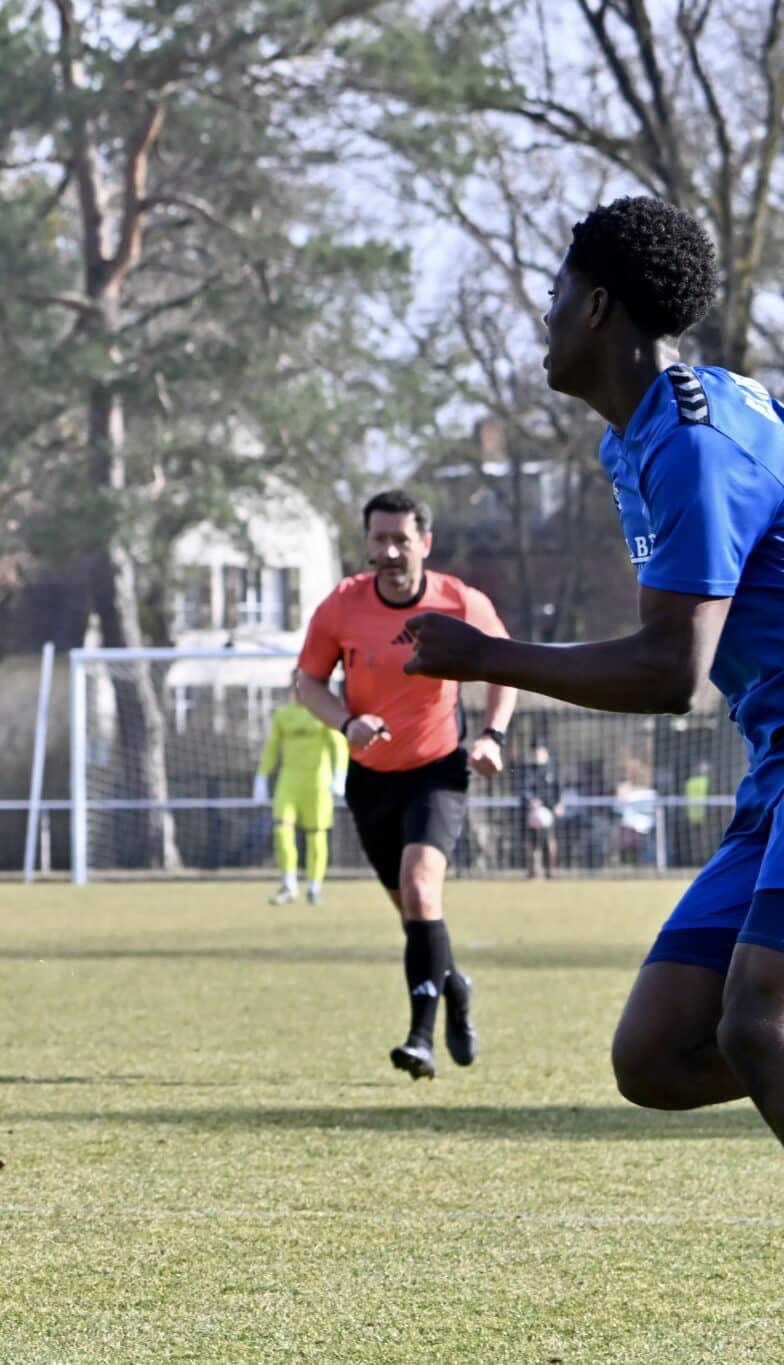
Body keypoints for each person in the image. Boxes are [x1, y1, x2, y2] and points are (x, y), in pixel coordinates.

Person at [405, 196, 784, 1145]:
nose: (546, 311)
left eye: (556, 290)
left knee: (757, 1021)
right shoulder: (646, 433)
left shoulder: (693, 440)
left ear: (600, 308)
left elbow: (672, 676)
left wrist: (485, 656)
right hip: (774, 764)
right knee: (654, 1056)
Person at [296, 489, 517, 1079]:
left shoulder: (458, 601)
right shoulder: (341, 606)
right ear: (366, 543)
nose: (389, 551)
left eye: (401, 539)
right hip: (370, 781)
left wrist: (492, 734)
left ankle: (420, 1039)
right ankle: (455, 985)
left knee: (422, 889)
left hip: (439, 771)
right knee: (415, 917)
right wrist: (346, 721)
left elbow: (507, 665)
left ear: (425, 542)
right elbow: (307, 683)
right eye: (378, 539)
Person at [254, 678, 349, 905]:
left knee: (316, 836)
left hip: (317, 782)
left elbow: (338, 744)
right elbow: (272, 748)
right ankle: (289, 883)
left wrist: (340, 775)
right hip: (289, 780)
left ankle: (314, 886)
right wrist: (261, 776)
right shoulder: (283, 715)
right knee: (281, 829)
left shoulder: (323, 714)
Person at [518, 740, 564, 878]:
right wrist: (531, 801)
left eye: (540, 751)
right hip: (530, 811)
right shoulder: (526, 770)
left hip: (548, 810)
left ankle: (551, 869)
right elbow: (522, 789)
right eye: (535, 751)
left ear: (546, 752)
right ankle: (531, 870)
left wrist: (559, 804)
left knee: (550, 839)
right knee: (530, 842)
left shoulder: (552, 768)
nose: (538, 754)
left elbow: (559, 789)